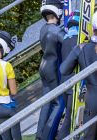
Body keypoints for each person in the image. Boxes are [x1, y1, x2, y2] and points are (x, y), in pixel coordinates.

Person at [60, 11, 97, 140]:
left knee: (89, 136)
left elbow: (64, 70)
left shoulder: (81, 48)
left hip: (92, 100)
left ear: (92, 28)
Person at [36, 0, 65, 139]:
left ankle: (39, 135)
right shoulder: (56, 30)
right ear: (57, 11)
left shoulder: (43, 28)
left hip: (43, 67)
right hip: (53, 69)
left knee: (46, 102)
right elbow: (69, 42)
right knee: (59, 103)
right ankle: (49, 135)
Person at [58, 10, 80, 140]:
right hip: (73, 83)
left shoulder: (65, 39)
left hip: (64, 82)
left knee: (69, 115)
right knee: (70, 117)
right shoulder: (78, 40)